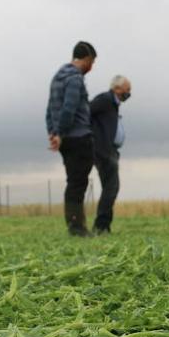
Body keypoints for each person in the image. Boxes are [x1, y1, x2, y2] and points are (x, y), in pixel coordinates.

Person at [46, 40, 96, 236]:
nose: (91, 67)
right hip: (78, 136)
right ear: (86, 59)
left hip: (66, 139)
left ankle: (77, 224)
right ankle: (76, 227)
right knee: (78, 182)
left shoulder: (57, 77)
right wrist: (60, 132)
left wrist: (53, 132)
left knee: (73, 180)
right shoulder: (75, 79)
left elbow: (49, 109)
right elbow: (69, 107)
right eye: (92, 62)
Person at [89, 75, 132, 234]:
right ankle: (101, 226)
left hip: (110, 150)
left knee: (110, 188)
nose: (129, 93)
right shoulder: (105, 99)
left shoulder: (113, 104)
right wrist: (96, 137)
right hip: (103, 150)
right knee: (112, 187)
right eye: (127, 89)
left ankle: (104, 225)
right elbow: (87, 111)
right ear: (117, 88)